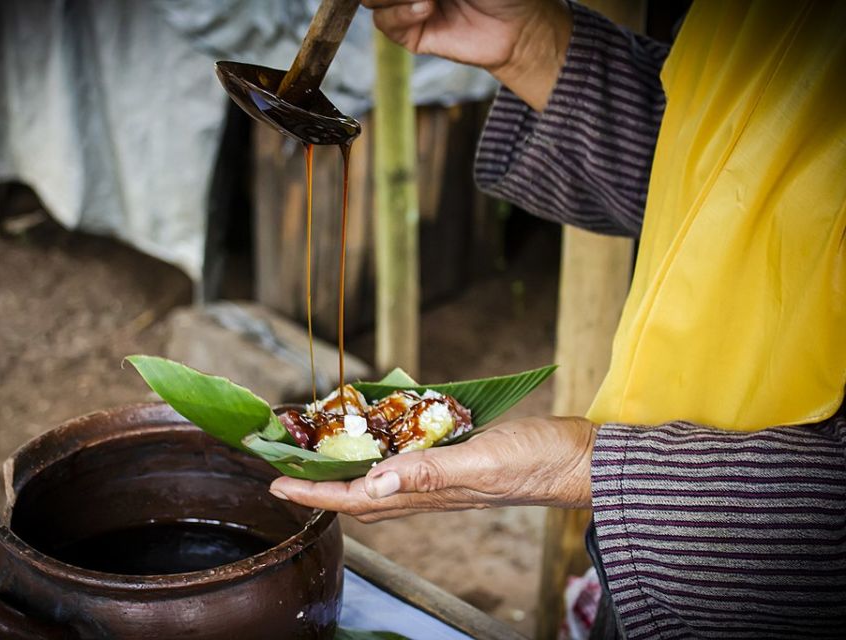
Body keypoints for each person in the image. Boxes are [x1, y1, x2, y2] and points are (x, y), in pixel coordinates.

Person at [271, 1, 846, 637]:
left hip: (759, 579)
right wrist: (533, 47)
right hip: (651, 545)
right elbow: (731, 161)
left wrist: (592, 467)